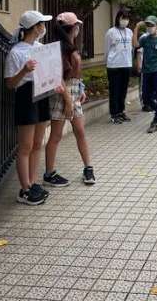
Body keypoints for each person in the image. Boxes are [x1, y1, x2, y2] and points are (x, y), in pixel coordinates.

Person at [4, 10, 55, 205]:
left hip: (41, 93)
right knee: (25, 145)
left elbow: (49, 71)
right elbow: (10, 84)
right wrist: (24, 70)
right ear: (34, 27)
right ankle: (24, 189)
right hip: (26, 95)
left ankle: (32, 183)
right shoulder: (16, 52)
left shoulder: (41, 48)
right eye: (41, 24)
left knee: (37, 143)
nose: (44, 27)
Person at [45, 12, 95, 187]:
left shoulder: (71, 46)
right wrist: (67, 100)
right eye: (77, 26)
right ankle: (49, 173)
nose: (78, 29)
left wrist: (81, 89)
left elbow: (76, 74)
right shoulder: (58, 49)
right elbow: (57, 77)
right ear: (72, 28)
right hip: (62, 93)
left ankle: (88, 168)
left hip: (73, 92)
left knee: (80, 131)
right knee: (56, 135)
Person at [133, 15, 157, 133]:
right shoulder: (145, 39)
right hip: (146, 71)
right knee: (146, 97)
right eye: (148, 25)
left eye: (151, 25)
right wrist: (136, 28)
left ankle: (156, 121)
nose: (149, 27)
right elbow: (135, 45)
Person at [105, 9, 134, 124]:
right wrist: (107, 62)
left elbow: (131, 48)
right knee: (114, 90)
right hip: (114, 66)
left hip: (126, 64)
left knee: (123, 90)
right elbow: (107, 49)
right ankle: (114, 114)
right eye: (123, 18)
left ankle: (121, 111)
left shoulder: (129, 32)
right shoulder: (111, 32)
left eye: (127, 18)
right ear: (118, 18)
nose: (125, 20)